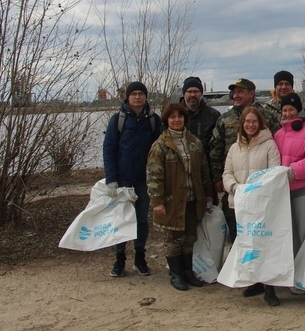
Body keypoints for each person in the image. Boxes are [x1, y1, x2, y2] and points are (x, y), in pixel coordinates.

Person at [146, 103, 213, 291]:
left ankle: (188, 272)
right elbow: (153, 176)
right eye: (172, 117)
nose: (177, 120)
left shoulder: (194, 142)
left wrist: (208, 194)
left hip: (192, 200)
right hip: (171, 201)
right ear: (167, 120)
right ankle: (175, 274)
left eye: (180, 117)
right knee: (173, 240)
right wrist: (157, 201)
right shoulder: (160, 146)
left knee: (190, 238)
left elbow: (203, 171)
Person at [222, 106, 282, 306]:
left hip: (262, 204)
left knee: (265, 245)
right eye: (247, 121)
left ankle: (270, 288)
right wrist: (235, 188)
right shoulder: (234, 147)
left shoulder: (270, 145)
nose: (250, 125)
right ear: (242, 124)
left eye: (254, 121)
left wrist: (256, 192)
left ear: (261, 123)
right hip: (239, 203)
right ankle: (254, 281)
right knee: (247, 245)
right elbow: (227, 173)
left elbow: (274, 173)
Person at [102, 81, 162, 278]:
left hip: (144, 180)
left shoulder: (154, 120)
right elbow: (109, 149)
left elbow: (159, 149)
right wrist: (111, 179)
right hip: (123, 180)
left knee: (141, 220)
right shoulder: (117, 120)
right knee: (121, 220)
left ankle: (140, 258)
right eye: (134, 94)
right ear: (127, 97)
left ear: (146, 97)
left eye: (141, 94)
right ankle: (119, 259)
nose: (137, 97)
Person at [273, 93, 305, 259]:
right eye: (285, 110)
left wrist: (294, 171)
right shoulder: (278, 135)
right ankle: (294, 273)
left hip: (304, 190)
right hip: (284, 192)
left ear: (299, 111)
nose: (288, 114)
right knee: (289, 235)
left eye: (291, 110)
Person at [210, 78, 256, 241]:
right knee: (234, 231)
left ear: (251, 94)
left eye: (240, 92)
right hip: (232, 185)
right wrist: (217, 177)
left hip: (257, 187)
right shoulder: (224, 119)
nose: (235, 95)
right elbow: (216, 149)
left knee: (256, 233)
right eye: (234, 92)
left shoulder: (266, 117)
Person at [180, 77, 221, 179]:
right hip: (180, 172)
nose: (193, 95)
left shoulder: (213, 115)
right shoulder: (174, 115)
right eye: (189, 91)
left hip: (207, 172)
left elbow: (218, 147)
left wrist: (217, 177)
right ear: (184, 93)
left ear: (201, 93)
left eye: (196, 91)